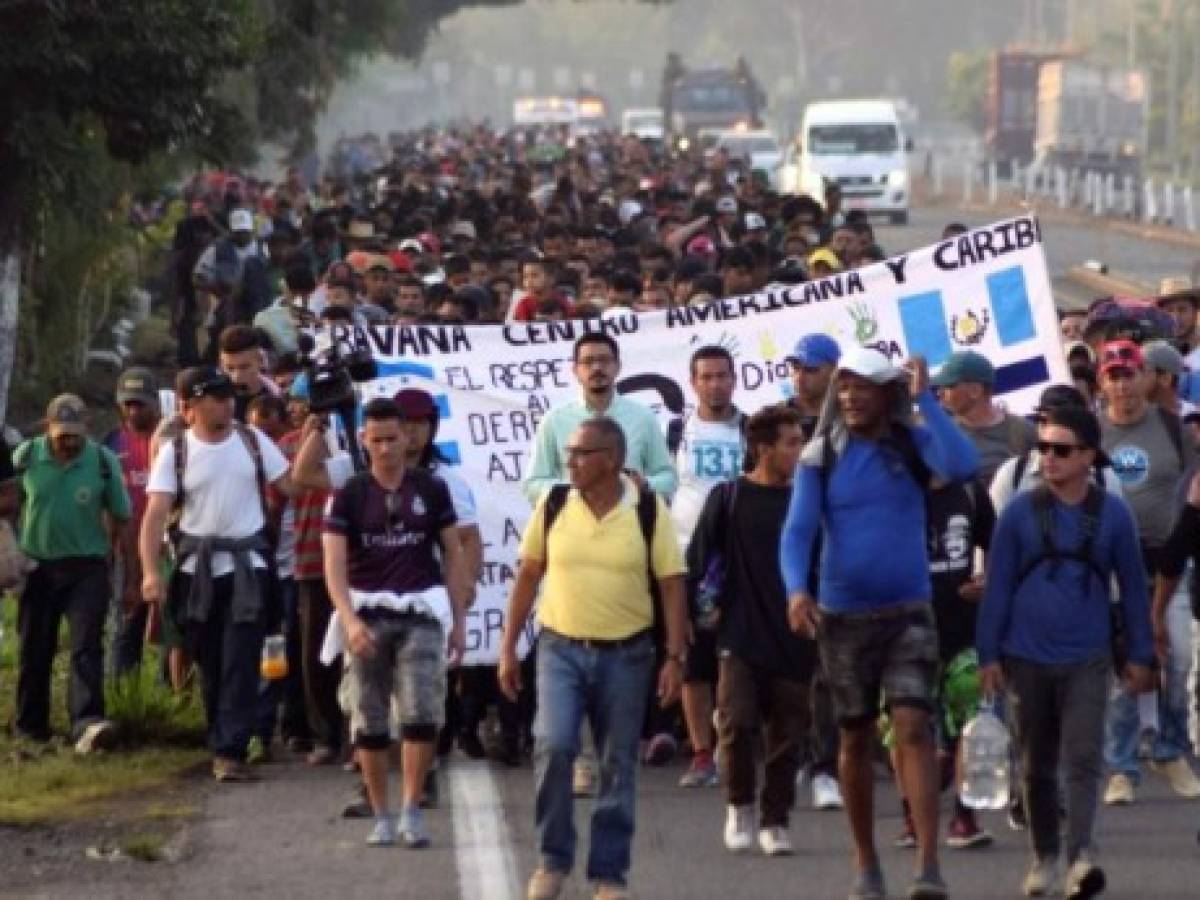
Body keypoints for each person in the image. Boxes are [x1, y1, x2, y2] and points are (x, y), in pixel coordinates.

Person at [781, 347, 980, 900]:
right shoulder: (821, 455)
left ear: (887, 392)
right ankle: (866, 862)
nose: (850, 396)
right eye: (844, 387)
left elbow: (962, 464)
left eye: (862, 386)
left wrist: (926, 401)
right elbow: (798, 532)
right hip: (843, 618)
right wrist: (797, 589)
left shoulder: (913, 443)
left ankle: (928, 865)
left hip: (910, 611)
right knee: (855, 737)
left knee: (916, 727)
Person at [498, 417, 686, 900]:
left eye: (583, 453)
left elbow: (671, 583)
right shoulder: (554, 503)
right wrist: (508, 648)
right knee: (555, 745)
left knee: (617, 762)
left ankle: (608, 874)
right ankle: (552, 859)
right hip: (560, 648)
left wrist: (674, 656)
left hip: (628, 653)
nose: (572, 462)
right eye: (570, 452)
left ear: (613, 460)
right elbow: (527, 575)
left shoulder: (646, 508)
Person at [977, 405, 1153, 899]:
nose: (1048, 458)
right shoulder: (1018, 512)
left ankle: (1081, 858)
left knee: (1082, 757)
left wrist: (1140, 653)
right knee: (1034, 764)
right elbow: (998, 587)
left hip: (1087, 656)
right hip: (1025, 655)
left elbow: (1134, 589)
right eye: (1043, 448)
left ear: (1088, 457)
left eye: (1061, 450)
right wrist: (988, 653)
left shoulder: (1113, 514)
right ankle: (1044, 857)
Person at [319, 397, 472, 848]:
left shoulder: (430, 488)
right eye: (376, 440)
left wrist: (459, 620)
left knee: (421, 713)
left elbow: (454, 554)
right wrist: (347, 619)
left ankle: (411, 806)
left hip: (420, 612)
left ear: (407, 438)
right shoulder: (349, 494)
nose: (385, 449)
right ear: (364, 442)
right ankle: (381, 811)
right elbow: (334, 564)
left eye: (393, 439)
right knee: (368, 719)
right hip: (368, 614)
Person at [139, 367, 292, 782]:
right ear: (193, 405)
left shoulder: (253, 441)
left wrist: (321, 439)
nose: (227, 403)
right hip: (197, 572)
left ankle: (231, 749)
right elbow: (154, 517)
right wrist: (151, 573)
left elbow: (292, 484)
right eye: (216, 397)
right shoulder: (177, 453)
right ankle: (220, 738)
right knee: (209, 660)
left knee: (242, 659)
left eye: (229, 396)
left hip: (248, 569)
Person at [686, 404, 814, 856]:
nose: (800, 451)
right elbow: (698, 562)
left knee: (788, 733)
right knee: (738, 722)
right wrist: (690, 620)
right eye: (792, 443)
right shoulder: (729, 497)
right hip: (739, 634)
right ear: (764, 449)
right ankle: (739, 804)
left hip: (797, 635)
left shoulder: (806, 499)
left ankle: (775, 819)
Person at [1096, 339, 1200, 804]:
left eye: (1131, 374)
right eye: (1114, 376)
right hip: (1118, 562)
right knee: (1125, 666)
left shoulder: (1174, 428)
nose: (1124, 385)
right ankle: (1121, 766)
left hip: (1170, 560)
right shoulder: (1092, 433)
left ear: (1147, 378)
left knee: (1176, 657)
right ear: (1103, 382)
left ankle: (1170, 748)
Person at [13, 394, 131, 752]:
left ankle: (87, 724)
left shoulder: (103, 462)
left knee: (86, 648)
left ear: (87, 430)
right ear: (47, 428)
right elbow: (7, 501)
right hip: (37, 567)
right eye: (62, 435)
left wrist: (122, 566)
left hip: (87, 568)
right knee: (35, 647)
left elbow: (120, 515)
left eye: (75, 434)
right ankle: (30, 726)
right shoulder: (27, 456)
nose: (69, 442)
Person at [671, 345, 746, 789]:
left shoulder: (751, 430)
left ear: (734, 380)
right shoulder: (677, 429)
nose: (716, 383)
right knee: (693, 660)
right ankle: (701, 751)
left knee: (735, 659)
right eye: (707, 376)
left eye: (723, 375)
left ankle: (732, 745)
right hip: (687, 558)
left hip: (739, 558)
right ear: (693, 381)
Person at [782, 331, 845, 810]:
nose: (800, 375)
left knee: (829, 669)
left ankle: (827, 760)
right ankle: (793, 751)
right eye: (796, 367)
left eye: (810, 367)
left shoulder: (849, 424)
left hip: (838, 553)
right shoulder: (779, 420)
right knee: (792, 665)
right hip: (792, 546)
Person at [523, 333, 677, 505]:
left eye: (604, 360)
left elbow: (668, 478)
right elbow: (532, 485)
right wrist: (576, 491)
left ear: (618, 367)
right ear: (575, 370)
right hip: (573, 526)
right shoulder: (555, 420)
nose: (597, 368)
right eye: (588, 361)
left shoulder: (643, 418)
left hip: (631, 525)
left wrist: (644, 485)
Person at [105, 368, 163, 675]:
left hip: (165, 549)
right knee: (126, 625)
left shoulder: (169, 439)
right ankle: (123, 697)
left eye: (140, 404)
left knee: (170, 629)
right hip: (125, 550)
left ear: (154, 403)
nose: (133, 410)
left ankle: (173, 699)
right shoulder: (111, 444)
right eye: (127, 404)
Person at [933, 350, 1036, 487]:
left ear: (975, 390)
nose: (939, 393)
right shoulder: (940, 436)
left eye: (949, 386)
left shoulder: (1024, 432)